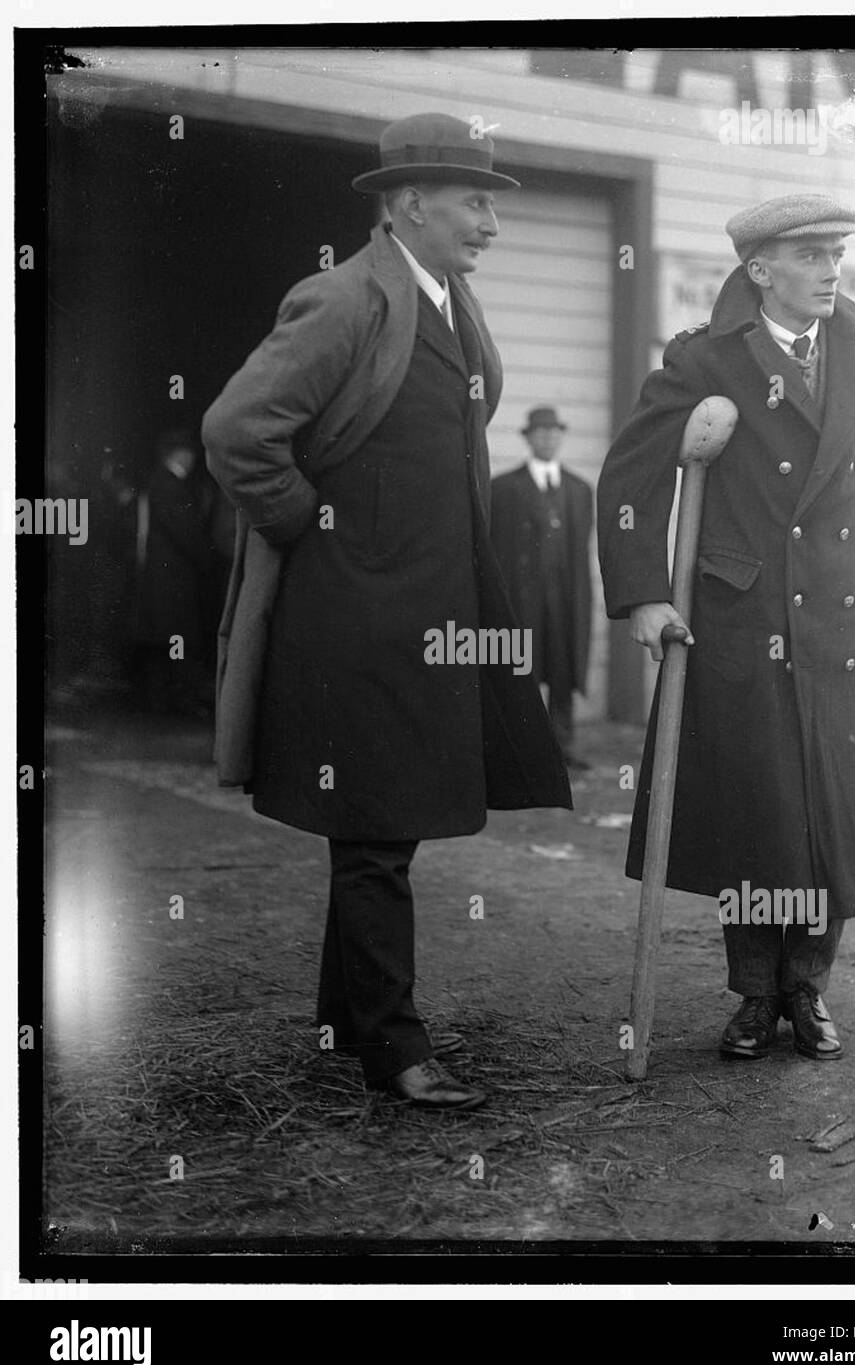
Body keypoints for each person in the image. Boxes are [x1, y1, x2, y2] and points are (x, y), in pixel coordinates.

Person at [202, 113, 570, 1111]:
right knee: (374, 825)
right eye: (476, 201)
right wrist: (314, 533)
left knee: (381, 821)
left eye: (494, 202)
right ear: (410, 203)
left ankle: (344, 1013)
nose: (492, 221)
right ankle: (395, 1047)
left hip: (432, 607)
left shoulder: (451, 298)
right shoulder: (346, 297)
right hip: (355, 614)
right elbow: (236, 429)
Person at [598, 194, 855, 1063]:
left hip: (849, 610)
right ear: (759, 270)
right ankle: (753, 992)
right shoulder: (704, 359)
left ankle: (806, 987)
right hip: (743, 615)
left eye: (836, 253)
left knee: (833, 814)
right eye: (809, 255)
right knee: (757, 812)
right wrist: (644, 595)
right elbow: (629, 479)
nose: (830, 270)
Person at [490, 406, 593, 770]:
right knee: (524, 670)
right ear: (528, 438)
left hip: (564, 597)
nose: (548, 438)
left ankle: (562, 746)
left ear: (561, 437)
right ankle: (523, 749)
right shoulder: (503, 488)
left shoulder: (579, 490)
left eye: (554, 432)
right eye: (541, 432)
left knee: (563, 669)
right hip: (523, 598)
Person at [134, 428, 220, 717]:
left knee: (166, 643)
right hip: (172, 580)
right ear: (180, 454)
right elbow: (187, 532)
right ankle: (173, 703)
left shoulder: (161, 481)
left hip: (164, 578)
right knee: (176, 639)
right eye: (190, 452)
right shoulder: (170, 484)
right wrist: (210, 561)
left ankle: (161, 703)